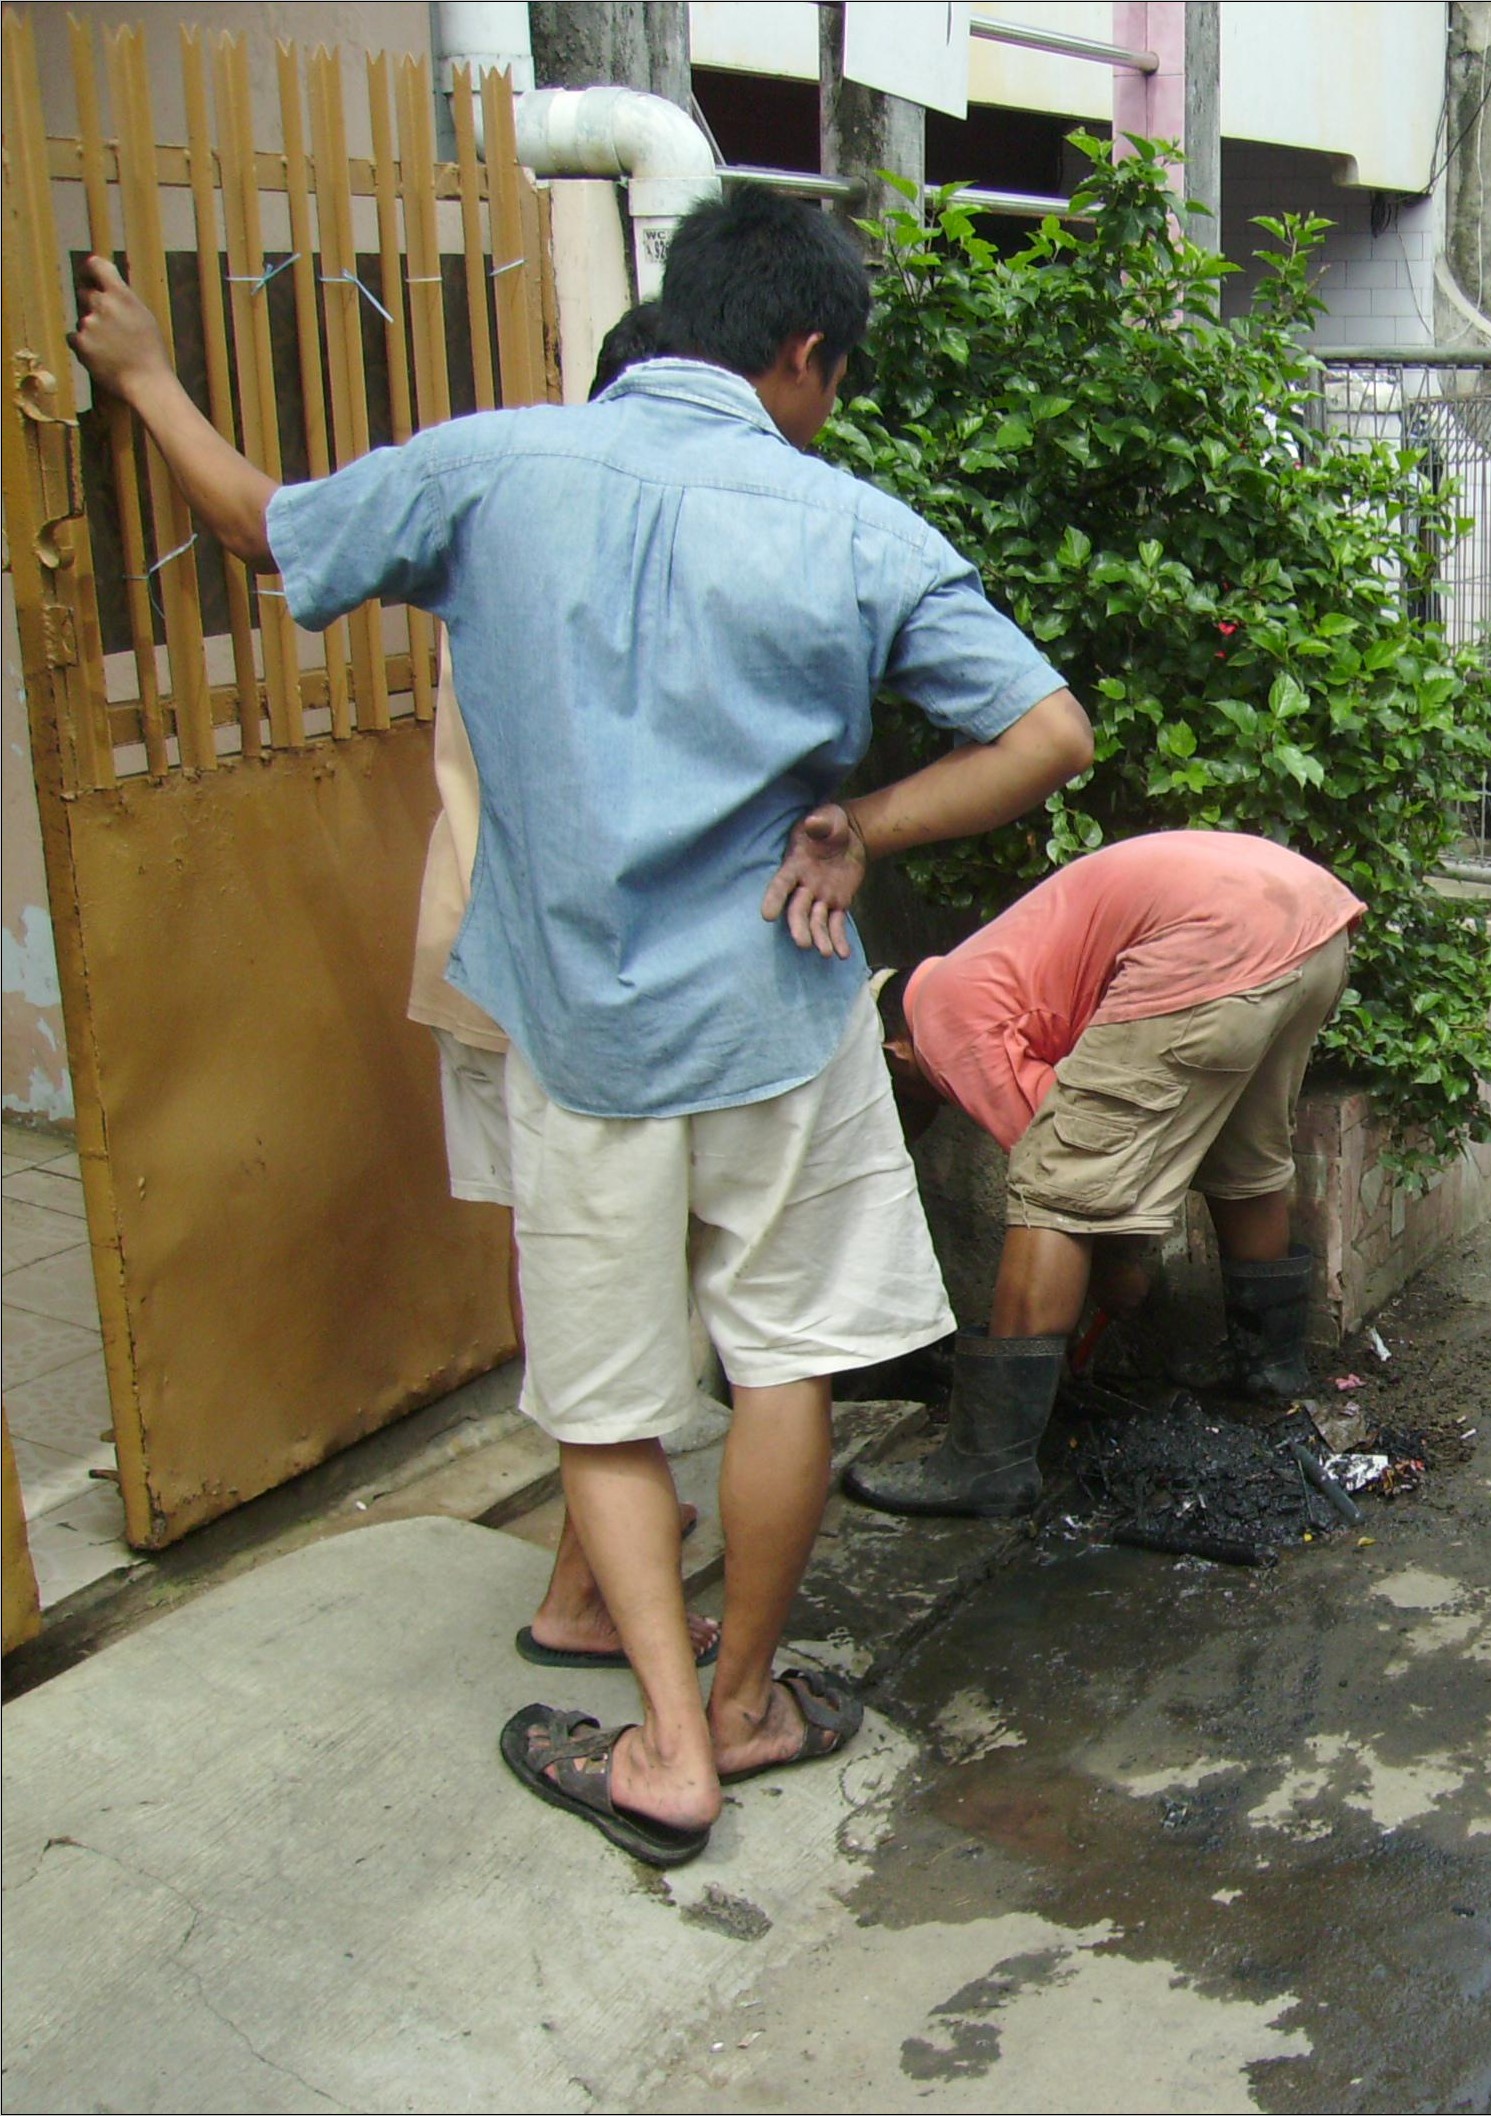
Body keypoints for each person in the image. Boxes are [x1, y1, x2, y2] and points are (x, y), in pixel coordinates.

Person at [68, 186, 1095, 1867]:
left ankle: (668, 1748)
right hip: (779, 1015)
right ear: (805, 351)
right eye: (836, 373)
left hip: (584, 1039)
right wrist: (862, 829)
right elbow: (1051, 731)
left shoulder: (491, 469)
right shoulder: (853, 527)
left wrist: (150, 378)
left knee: (606, 1406)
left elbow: (267, 528)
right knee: (783, 1366)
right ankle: (751, 1698)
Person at [407, 300, 731, 1674]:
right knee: (616, 1302)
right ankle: (584, 1602)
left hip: (513, 969)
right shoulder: (591, 551)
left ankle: (584, 1589)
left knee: (610, 1296)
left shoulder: (522, 519)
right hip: (559, 987)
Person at [845, 831, 1365, 1517]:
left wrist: (1123, 1263)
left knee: (1052, 1184)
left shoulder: (941, 1019)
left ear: (895, 1052)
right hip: (1311, 928)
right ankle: (1267, 1368)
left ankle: (986, 1463)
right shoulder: (988, 966)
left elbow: (1066, 1162)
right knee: (1245, 1151)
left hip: (1214, 941)